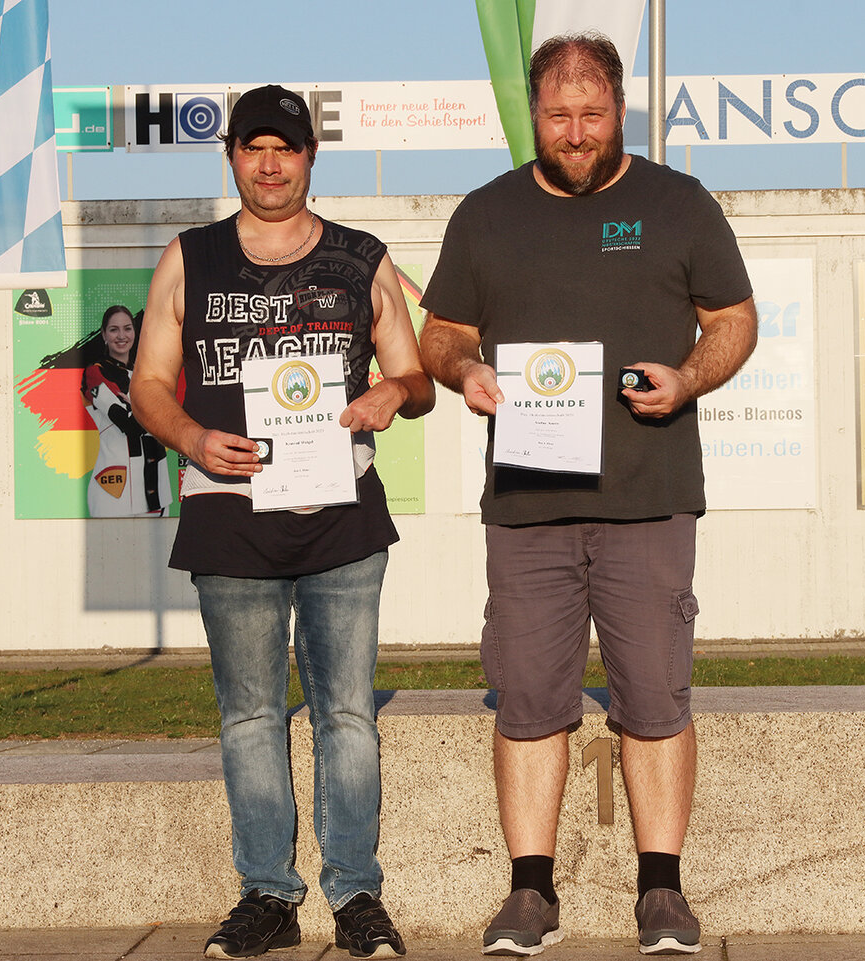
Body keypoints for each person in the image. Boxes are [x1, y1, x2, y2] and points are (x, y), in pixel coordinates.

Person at [419, 32, 757, 958]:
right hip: (528, 507)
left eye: (593, 115)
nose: (576, 133)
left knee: (655, 696)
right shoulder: (486, 215)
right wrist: (464, 370)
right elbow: (440, 331)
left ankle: (662, 890)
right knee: (529, 699)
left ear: (620, 110)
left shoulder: (679, 204)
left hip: (650, 499)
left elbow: (734, 320)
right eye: (559, 116)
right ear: (534, 113)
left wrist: (688, 378)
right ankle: (531, 891)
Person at [130, 84, 434, 961]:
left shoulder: (361, 257)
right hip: (228, 516)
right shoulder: (190, 257)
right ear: (231, 155)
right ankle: (268, 892)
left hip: (341, 515)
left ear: (309, 157)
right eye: (253, 148)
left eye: (285, 148)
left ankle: (355, 891)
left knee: (348, 714)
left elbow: (417, 378)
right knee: (250, 717)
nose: (269, 165)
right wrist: (192, 437)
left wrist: (391, 393)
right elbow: (148, 383)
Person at [83, 305, 171, 517]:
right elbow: (129, 424)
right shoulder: (96, 372)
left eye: (127, 328)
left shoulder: (147, 372)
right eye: (114, 329)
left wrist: (135, 404)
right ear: (104, 334)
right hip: (115, 490)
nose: (121, 336)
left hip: (157, 490)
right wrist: (151, 407)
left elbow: (168, 419)